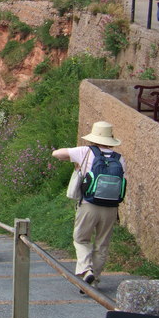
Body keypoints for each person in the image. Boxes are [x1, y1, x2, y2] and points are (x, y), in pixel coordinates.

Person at [51, 121, 126, 289]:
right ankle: (95, 281)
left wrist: (76, 162)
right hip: (111, 208)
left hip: (88, 205)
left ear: (93, 138)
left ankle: (86, 270)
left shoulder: (85, 151)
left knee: (81, 239)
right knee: (102, 244)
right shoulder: (119, 159)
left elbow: (57, 154)